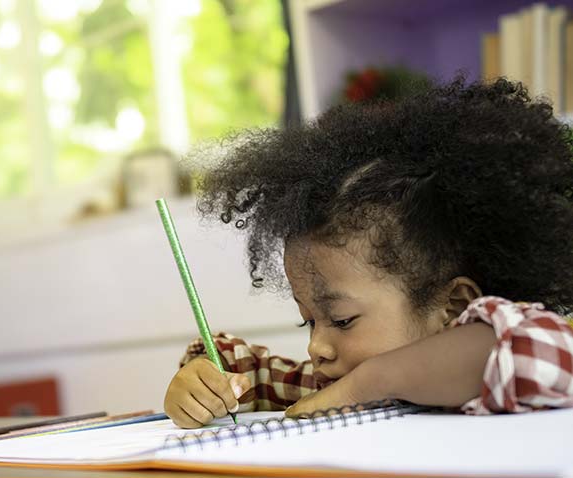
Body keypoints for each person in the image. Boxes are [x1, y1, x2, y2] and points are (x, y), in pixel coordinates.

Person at [163, 77, 573, 429]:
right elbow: (238, 363)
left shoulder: (510, 376)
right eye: (308, 322)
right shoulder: (328, 384)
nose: (315, 348)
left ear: (453, 307)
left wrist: (372, 381)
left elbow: (549, 347)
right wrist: (204, 383)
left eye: (341, 320)